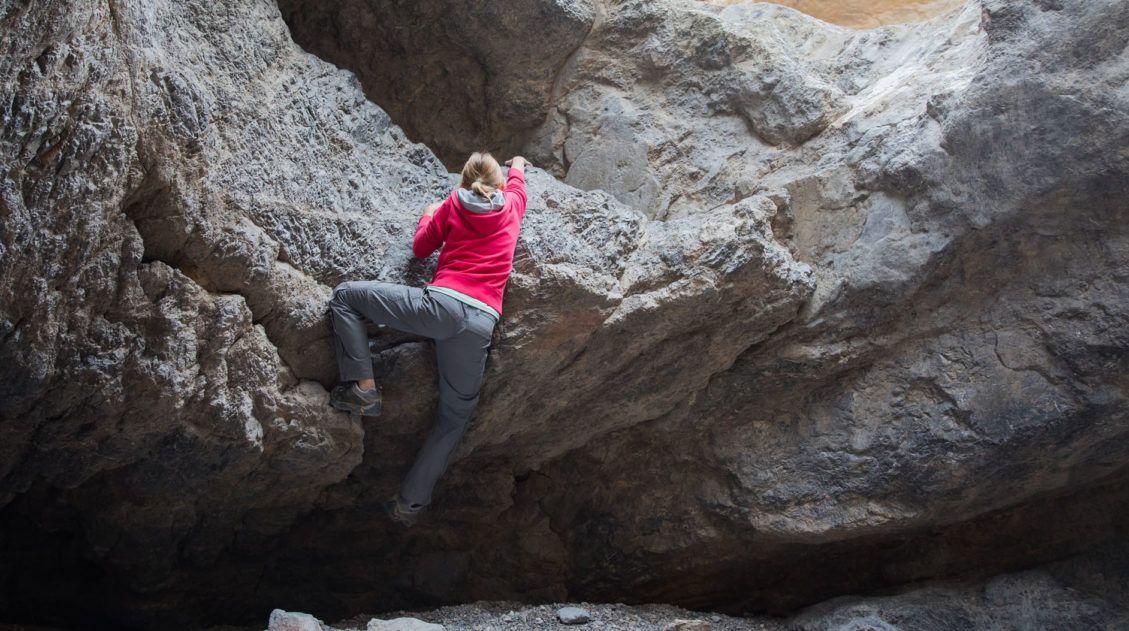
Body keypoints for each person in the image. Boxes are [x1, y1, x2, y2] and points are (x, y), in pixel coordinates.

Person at [327, 152, 530, 527]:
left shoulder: (453, 206)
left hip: (439, 308)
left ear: (464, 183)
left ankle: (363, 388)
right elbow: (518, 183)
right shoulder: (513, 204)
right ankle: (410, 505)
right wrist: (517, 163)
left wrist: (428, 213)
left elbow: (421, 248)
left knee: (345, 296)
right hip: (480, 323)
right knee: (455, 418)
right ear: (500, 183)